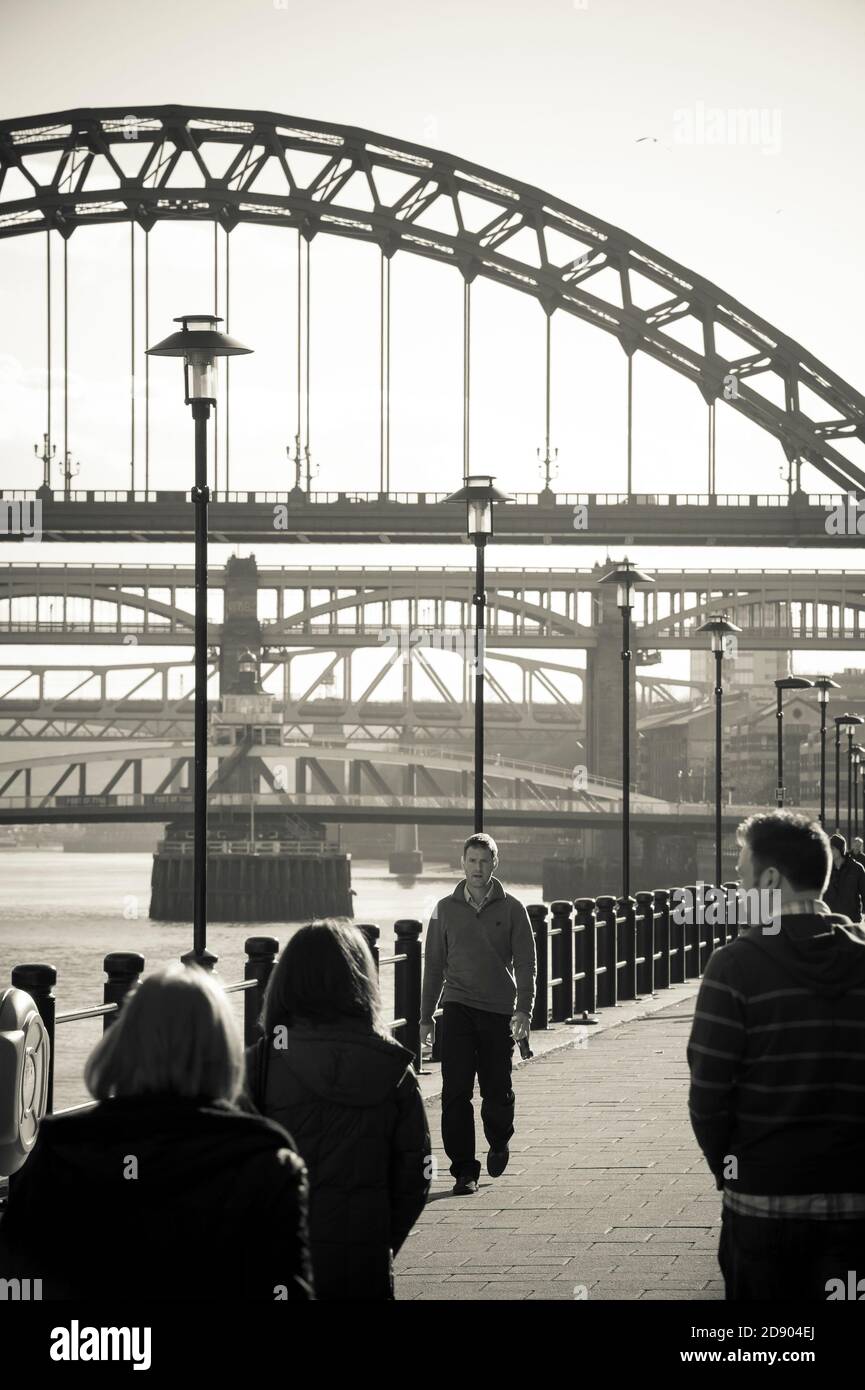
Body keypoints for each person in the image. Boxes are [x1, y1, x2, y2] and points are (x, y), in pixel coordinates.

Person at [0, 965, 313, 1301]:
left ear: (124, 1044)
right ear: (223, 1054)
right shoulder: (266, 1162)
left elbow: (18, 1285)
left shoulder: (62, 1151)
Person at [687, 811, 865, 1301]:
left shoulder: (734, 966)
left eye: (743, 877)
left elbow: (707, 1096)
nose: (739, 891)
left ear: (770, 879)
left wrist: (733, 1173)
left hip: (763, 1203)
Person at [246, 920, 431, 1301]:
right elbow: (415, 1174)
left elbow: (235, 1172)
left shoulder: (260, 1065)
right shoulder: (394, 1068)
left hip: (282, 1264)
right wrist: (380, 1241)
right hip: (364, 1265)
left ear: (286, 981)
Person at [420, 832, 537, 1196]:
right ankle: (463, 1171)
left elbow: (527, 964)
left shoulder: (513, 908)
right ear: (462, 863)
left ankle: (499, 1139)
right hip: (456, 1007)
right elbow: (434, 966)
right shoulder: (443, 909)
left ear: (494, 864)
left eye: (484, 861)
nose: (477, 868)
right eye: (472, 860)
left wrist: (524, 1011)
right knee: (455, 1091)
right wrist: (426, 1016)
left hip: (498, 1010)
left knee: (497, 1090)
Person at [824, 832, 865, 922]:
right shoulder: (826, 869)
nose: (829, 851)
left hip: (851, 920)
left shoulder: (857, 868)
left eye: (832, 848)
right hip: (830, 920)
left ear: (840, 849)